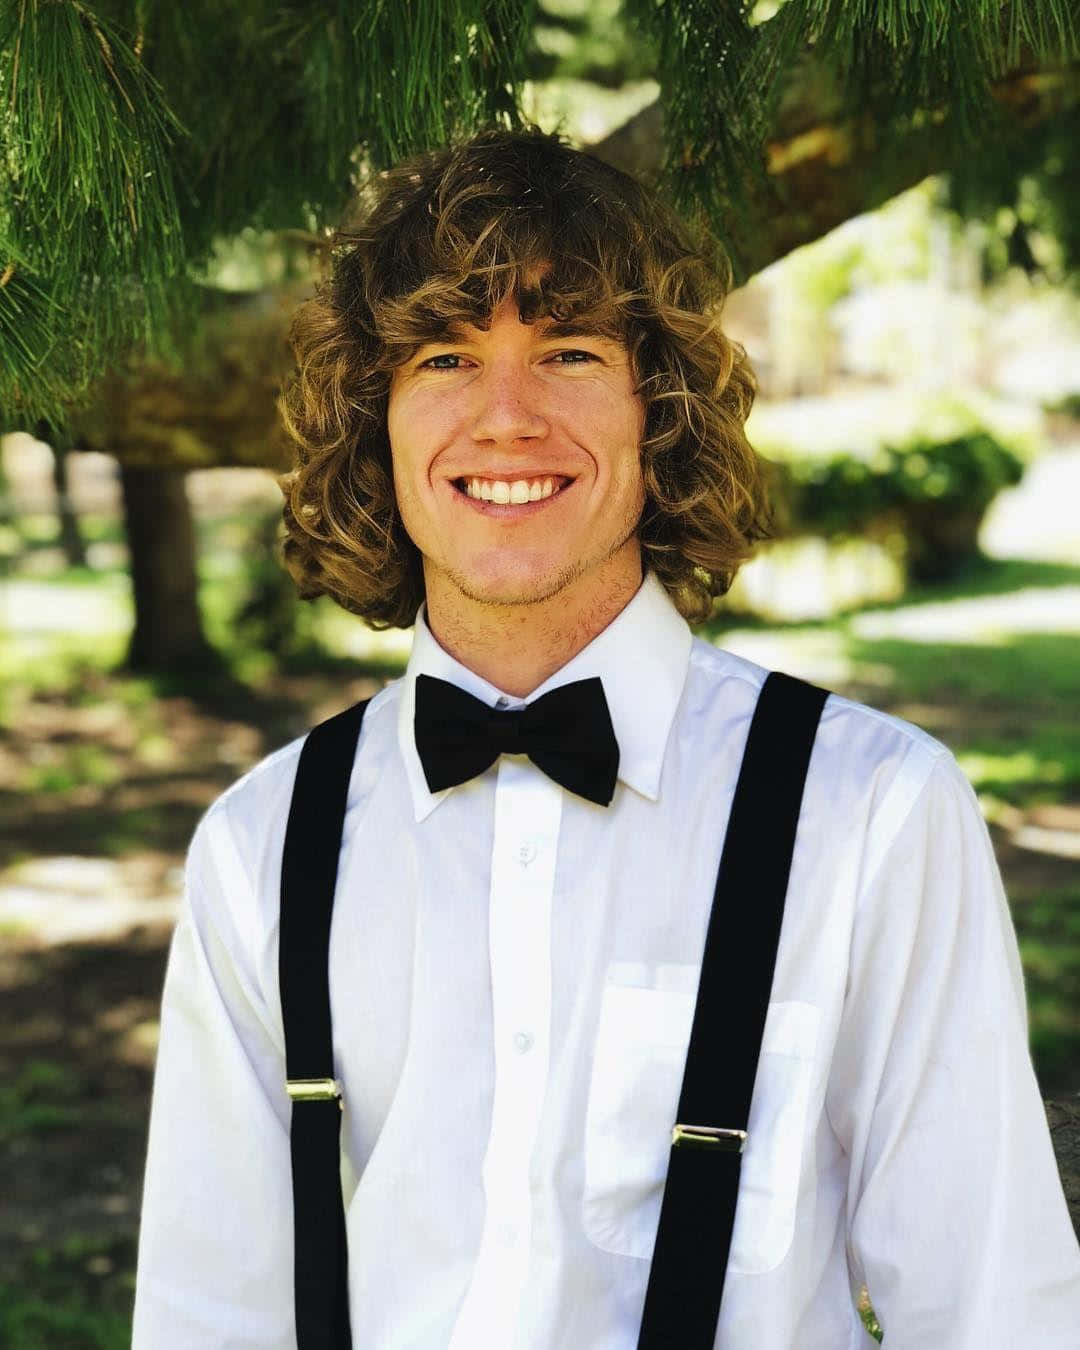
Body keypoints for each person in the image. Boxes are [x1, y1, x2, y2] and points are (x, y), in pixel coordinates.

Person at [132, 124, 1080, 1349]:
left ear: (660, 408)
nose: (507, 417)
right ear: (379, 422)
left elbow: (992, 1310)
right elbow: (208, 1321)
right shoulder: (260, 847)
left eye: (570, 350)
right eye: (445, 360)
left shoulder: (874, 815)